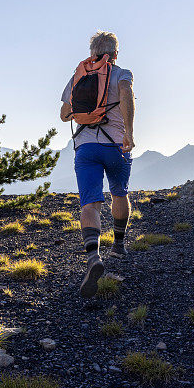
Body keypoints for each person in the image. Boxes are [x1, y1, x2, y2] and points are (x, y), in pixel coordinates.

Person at [60, 31, 135, 298]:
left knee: (89, 203)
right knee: (119, 193)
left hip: (85, 147)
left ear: (92, 51)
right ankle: (119, 244)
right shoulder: (121, 73)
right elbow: (126, 93)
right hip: (116, 145)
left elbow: (63, 115)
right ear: (115, 53)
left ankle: (93, 258)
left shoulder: (78, 75)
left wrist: (85, 112)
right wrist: (129, 131)